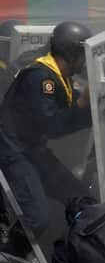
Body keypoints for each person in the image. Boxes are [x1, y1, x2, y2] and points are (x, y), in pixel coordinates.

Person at [0, 21, 93, 249]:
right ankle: (9, 258)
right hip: (13, 150)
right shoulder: (40, 77)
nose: (85, 61)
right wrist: (82, 106)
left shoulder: (58, 75)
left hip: (32, 148)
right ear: (71, 54)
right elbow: (53, 125)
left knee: (82, 201)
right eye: (82, 54)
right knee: (36, 218)